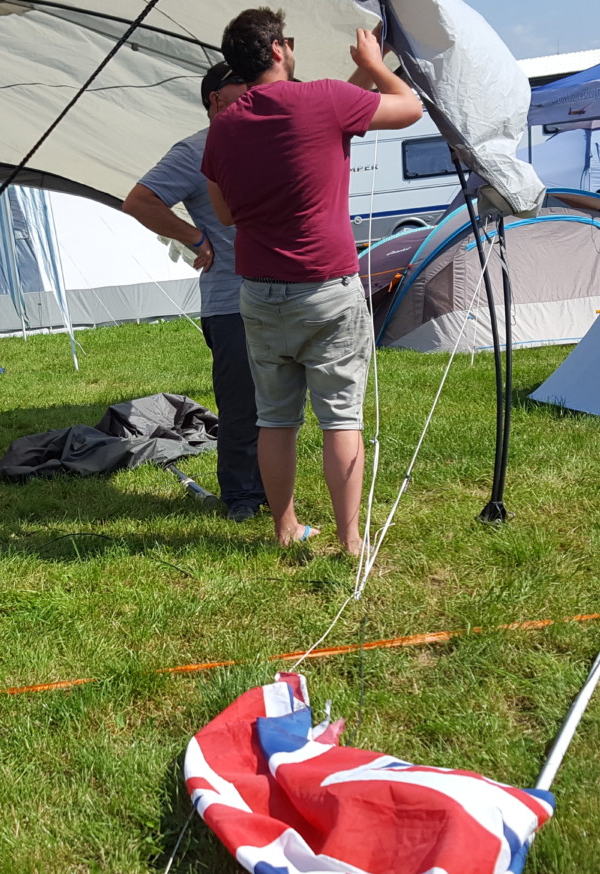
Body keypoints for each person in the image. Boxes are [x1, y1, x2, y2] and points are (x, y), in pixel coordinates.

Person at [202, 8, 423, 557]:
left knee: (275, 420)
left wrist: (364, 71)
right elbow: (409, 108)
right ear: (278, 49)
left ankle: (285, 528)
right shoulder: (323, 98)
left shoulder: (225, 125)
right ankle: (350, 540)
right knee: (340, 417)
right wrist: (375, 64)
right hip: (326, 288)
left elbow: (224, 214)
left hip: (259, 293)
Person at [122, 64, 261, 522]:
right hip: (231, 303)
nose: (254, 93)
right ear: (215, 99)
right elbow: (139, 201)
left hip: (277, 297)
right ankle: (241, 498)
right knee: (242, 407)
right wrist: (193, 236)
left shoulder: (266, 139)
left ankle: (271, 492)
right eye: (243, 87)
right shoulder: (195, 150)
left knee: (278, 406)